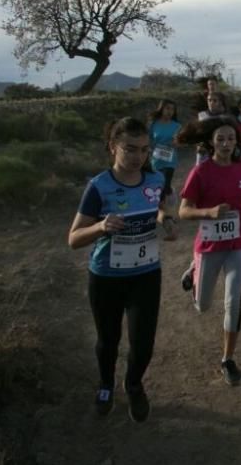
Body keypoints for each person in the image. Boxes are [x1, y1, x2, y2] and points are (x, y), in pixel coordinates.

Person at [67, 117, 178, 422]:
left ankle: (134, 385)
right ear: (112, 147)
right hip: (106, 277)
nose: (137, 157)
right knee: (108, 339)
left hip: (146, 274)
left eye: (144, 150)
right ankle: (105, 384)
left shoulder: (155, 181)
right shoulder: (99, 186)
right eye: (130, 149)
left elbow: (157, 210)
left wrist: (164, 222)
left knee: (143, 342)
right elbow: (73, 238)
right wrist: (102, 226)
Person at [177, 117, 241, 387]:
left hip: (237, 243)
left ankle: (228, 359)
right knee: (203, 306)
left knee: (233, 301)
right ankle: (194, 268)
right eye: (220, 139)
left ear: (236, 142)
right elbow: (183, 211)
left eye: (231, 139)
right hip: (209, 245)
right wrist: (208, 212)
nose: (226, 144)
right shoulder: (200, 172)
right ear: (211, 142)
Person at [148, 99, 182, 203]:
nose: (169, 111)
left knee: (165, 183)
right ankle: (168, 192)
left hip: (170, 159)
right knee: (158, 184)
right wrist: (149, 149)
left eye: (172, 109)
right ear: (161, 109)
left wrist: (176, 143)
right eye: (167, 108)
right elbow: (149, 139)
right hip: (156, 159)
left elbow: (180, 142)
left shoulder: (177, 126)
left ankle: (162, 206)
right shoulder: (153, 124)